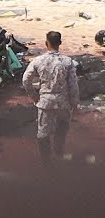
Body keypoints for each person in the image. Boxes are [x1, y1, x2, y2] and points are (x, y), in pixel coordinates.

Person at [22, 31, 79, 165]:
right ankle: (58, 152)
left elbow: (25, 80)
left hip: (45, 102)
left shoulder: (38, 61)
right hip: (63, 103)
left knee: (43, 133)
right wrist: (75, 102)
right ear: (60, 43)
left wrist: (34, 96)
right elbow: (73, 84)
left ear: (46, 43)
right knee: (62, 127)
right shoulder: (68, 62)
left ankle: (46, 161)